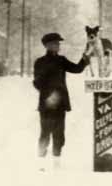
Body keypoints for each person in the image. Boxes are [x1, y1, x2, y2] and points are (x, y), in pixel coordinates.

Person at [32, 31, 90, 162]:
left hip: (60, 104)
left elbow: (77, 69)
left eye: (58, 43)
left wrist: (85, 58)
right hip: (47, 104)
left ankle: (56, 162)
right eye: (55, 43)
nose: (58, 45)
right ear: (47, 45)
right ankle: (40, 162)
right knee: (45, 134)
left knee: (59, 135)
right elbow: (37, 83)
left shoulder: (61, 60)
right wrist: (50, 94)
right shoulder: (40, 62)